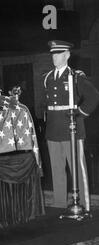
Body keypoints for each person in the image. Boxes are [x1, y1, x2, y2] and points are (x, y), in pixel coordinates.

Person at [39, 40, 99, 212]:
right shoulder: (47, 78)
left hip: (72, 128)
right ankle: (59, 205)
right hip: (53, 129)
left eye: (58, 54)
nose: (54, 57)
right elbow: (45, 103)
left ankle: (84, 206)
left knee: (77, 169)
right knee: (57, 169)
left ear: (67, 55)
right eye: (53, 54)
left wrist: (79, 113)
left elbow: (94, 97)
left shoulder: (76, 76)